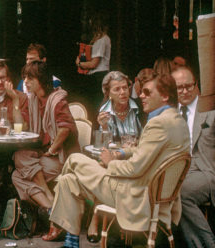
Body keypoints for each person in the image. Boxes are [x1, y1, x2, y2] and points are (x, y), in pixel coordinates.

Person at [48, 72, 189, 248]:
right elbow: (146, 150)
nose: (141, 95)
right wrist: (121, 153)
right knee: (69, 180)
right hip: (152, 193)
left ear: (165, 96)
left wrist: (110, 163)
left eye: (147, 92)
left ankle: (54, 211)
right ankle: (71, 241)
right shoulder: (177, 120)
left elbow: (134, 169)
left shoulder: (158, 123)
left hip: (134, 195)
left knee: (74, 159)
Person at [13, 60, 78, 222]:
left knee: (17, 176)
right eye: (24, 78)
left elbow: (65, 128)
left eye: (30, 78)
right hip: (42, 153)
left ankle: (50, 210)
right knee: (20, 156)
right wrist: (15, 103)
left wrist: (52, 150)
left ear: (40, 80)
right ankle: (51, 207)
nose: (25, 82)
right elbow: (24, 126)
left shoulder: (57, 100)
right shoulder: (33, 100)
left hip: (61, 157)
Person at [173, 65, 215, 248]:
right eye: (179, 87)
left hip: (206, 170)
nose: (185, 91)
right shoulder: (169, 111)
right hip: (178, 169)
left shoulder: (210, 110)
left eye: (189, 86)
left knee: (181, 194)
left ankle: (208, 244)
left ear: (196, 85)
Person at [75, 14, 111, 110]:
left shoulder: (103, 40)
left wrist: (79, 63)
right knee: (91, 104)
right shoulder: (98, 39)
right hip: (94, 77)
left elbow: (94, 63)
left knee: (96, 105)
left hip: (98, 76)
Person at [96, 71, 143, 142]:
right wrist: (104, 127)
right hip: (113, 152)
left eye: (125, 88)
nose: (122, 92)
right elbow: (102, 145)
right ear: (108, 93)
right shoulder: (103, 112)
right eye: (117, 89)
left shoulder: (140, 107)